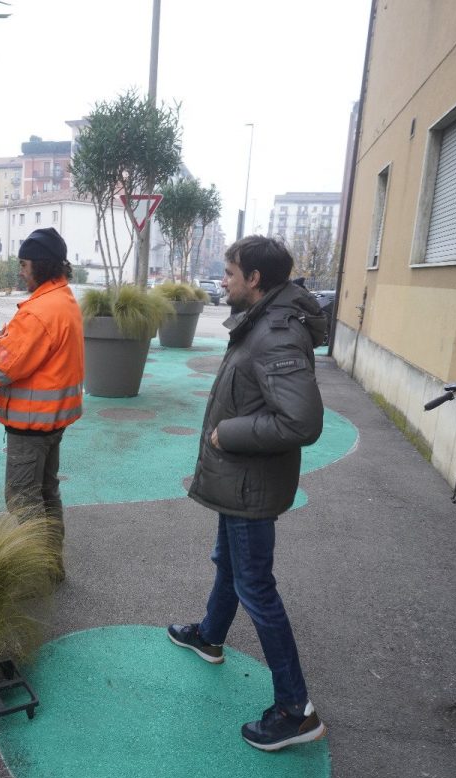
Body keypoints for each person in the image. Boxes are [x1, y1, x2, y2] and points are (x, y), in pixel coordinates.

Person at [167, 235, 328, 751]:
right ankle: (210, 636)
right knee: (230, 563)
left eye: (231, 273)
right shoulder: (261, 320)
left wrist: (229, 433)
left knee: (256, 587)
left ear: (255, 279)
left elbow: (302, 422)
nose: (224, 281)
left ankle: (295, 711)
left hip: (249, 481)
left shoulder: (275, 333)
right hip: (240, 480)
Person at [0, 227, 84, 581]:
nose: (21, 271)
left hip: (31, 426)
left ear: (41, 265)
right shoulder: (61, 299)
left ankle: (39, 572)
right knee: (46, 493)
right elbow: (16, 343)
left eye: (24, 264)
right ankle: (51, 565)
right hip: (52, 422)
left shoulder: (39, 312)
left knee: (23, 499)